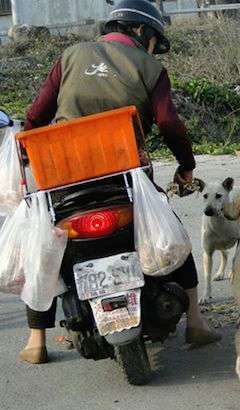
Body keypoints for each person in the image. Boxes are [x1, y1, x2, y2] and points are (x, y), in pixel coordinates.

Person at [19, 0, 221, 364]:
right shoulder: (151, 67)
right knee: (170, 235)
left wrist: (27, 152)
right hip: (126, 182)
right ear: (142, 31)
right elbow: (169, 123)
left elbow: (36, 114)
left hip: (67, 181)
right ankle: (195, 321)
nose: (155, 48)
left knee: (47, 248)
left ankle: (36, 340)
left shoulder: (71, 55)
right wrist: (186, 165)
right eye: (155, 41)